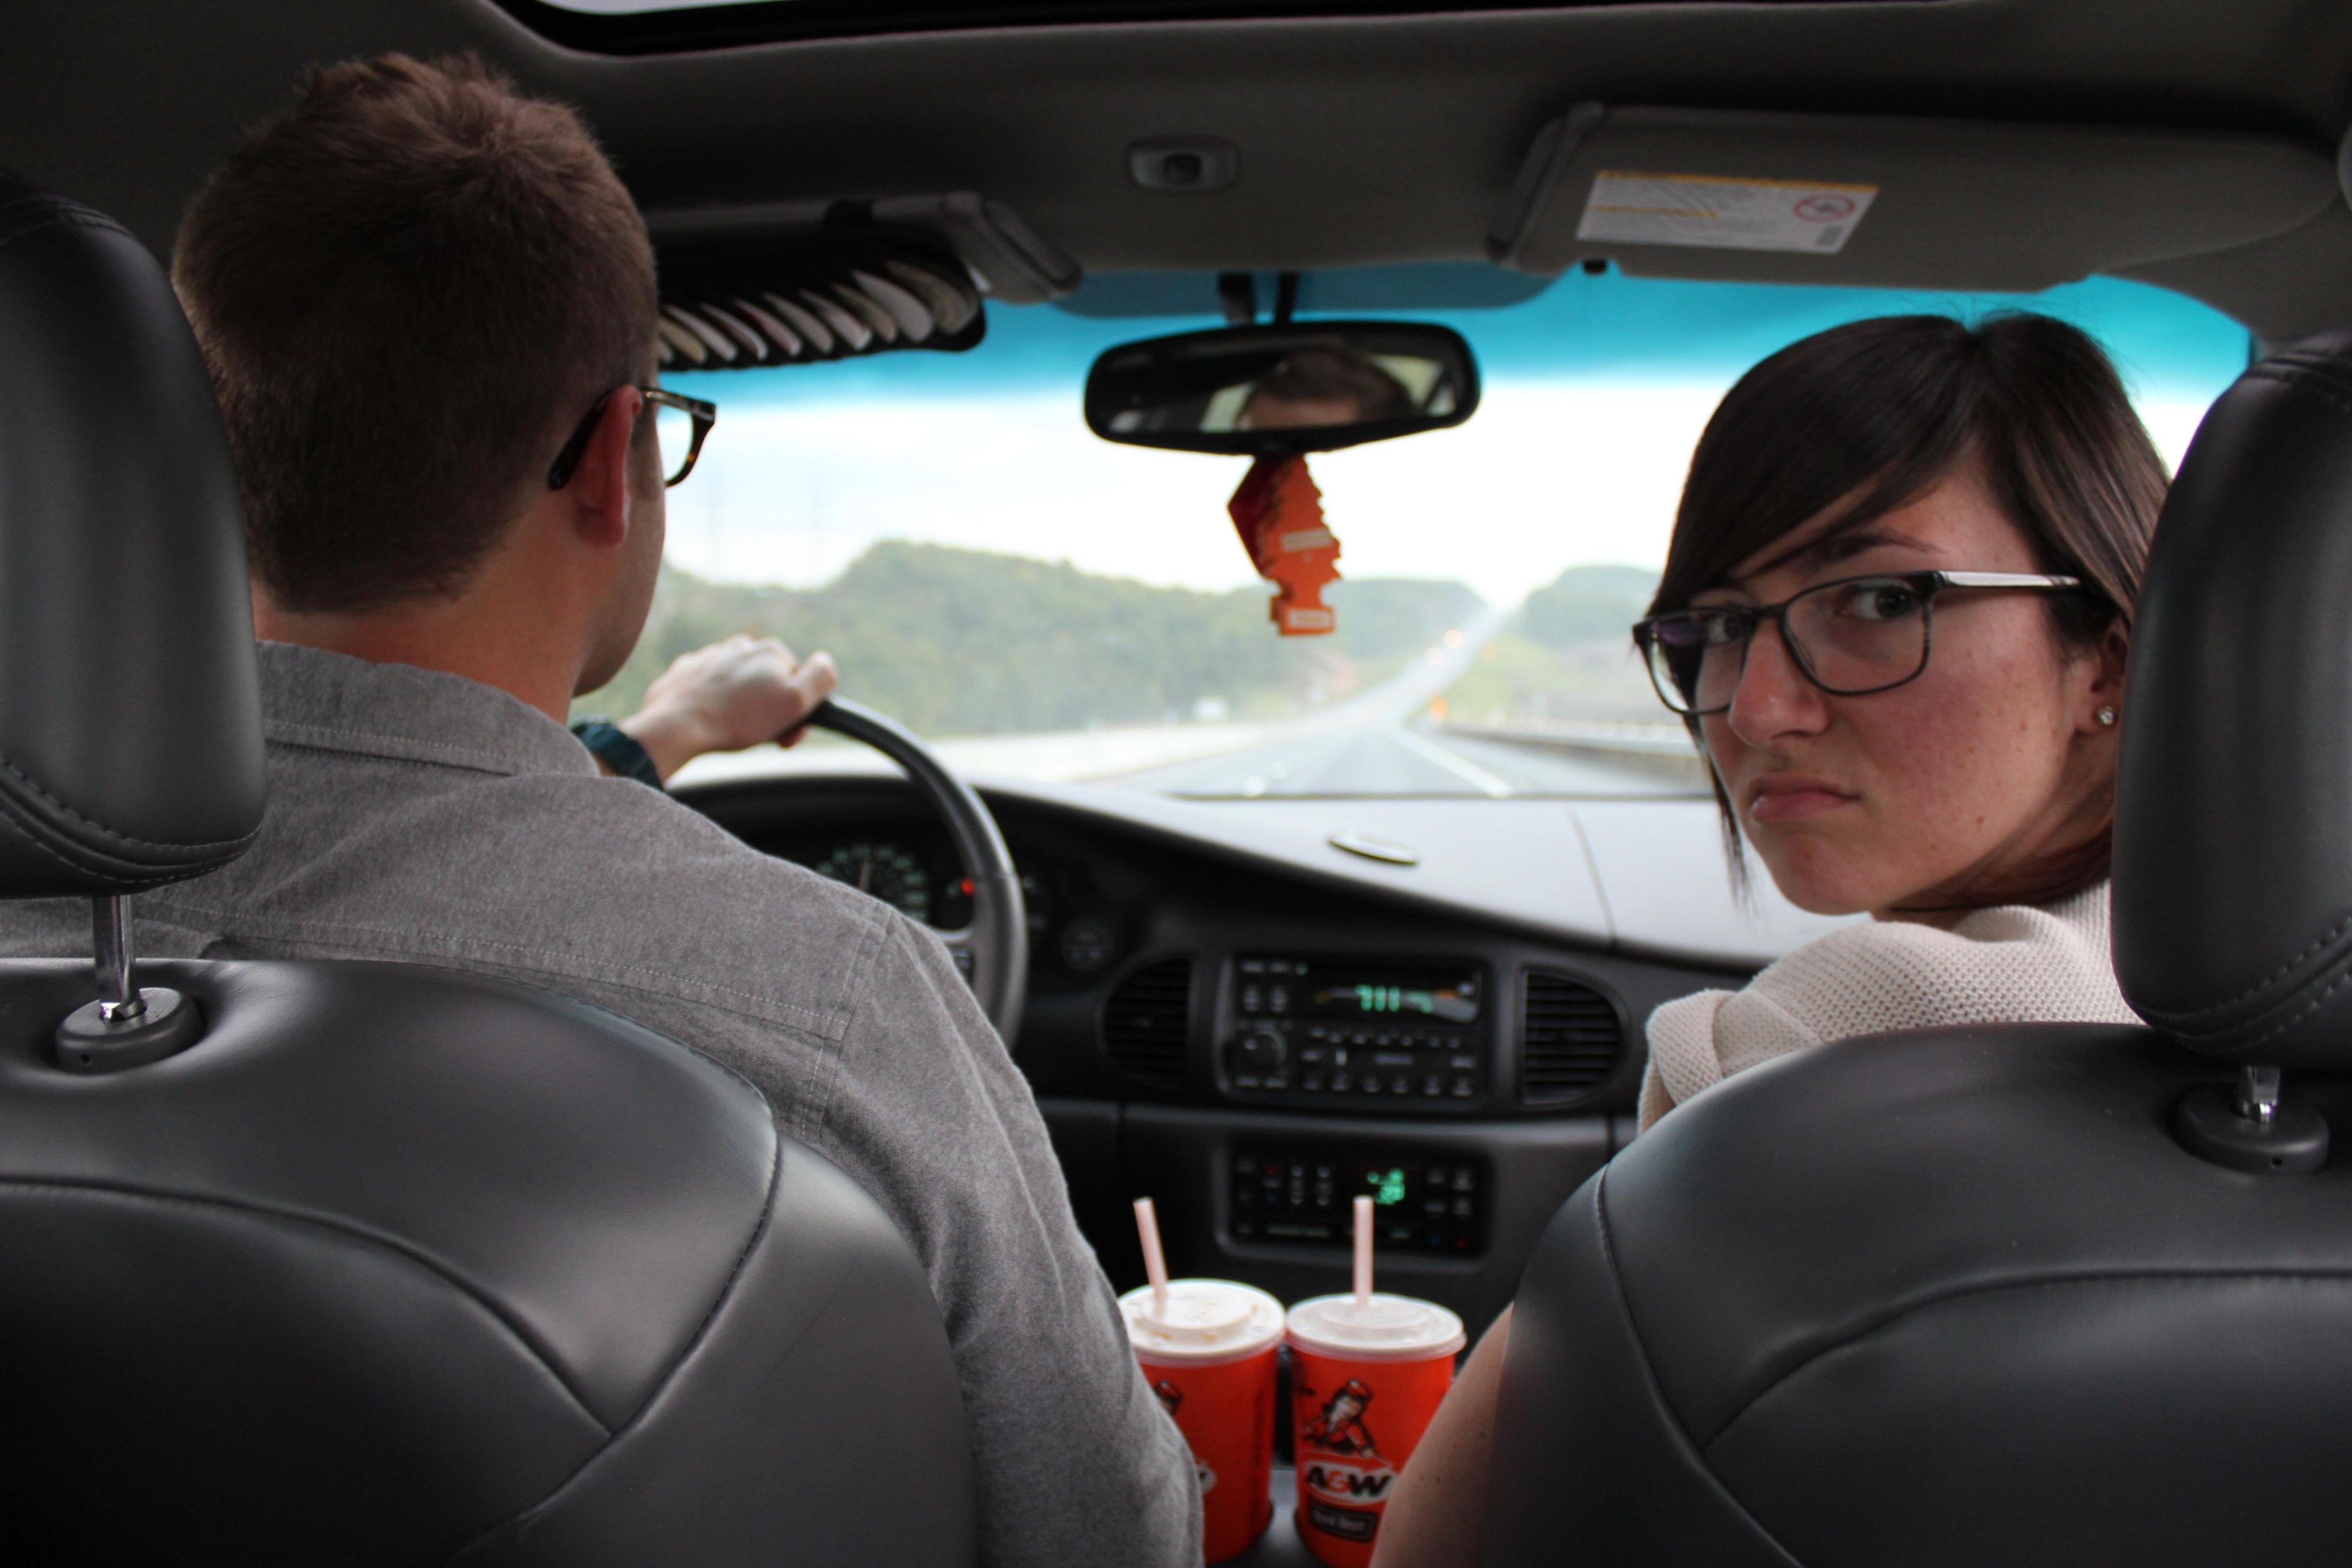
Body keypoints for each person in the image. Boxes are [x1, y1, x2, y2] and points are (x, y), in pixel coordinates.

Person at [0, 55, 1199, 1568]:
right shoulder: (835, 1000)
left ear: (214, 453)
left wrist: (660, 739)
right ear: (610, 460)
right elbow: (1108, 1532)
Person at [1370, 311, 2162, 1568]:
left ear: (2106, 653)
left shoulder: (1866, 1018)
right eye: (1720, 626)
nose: (1754, 704)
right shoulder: (2235, 1006)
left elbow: (1440, 1542)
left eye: (1876, 599)